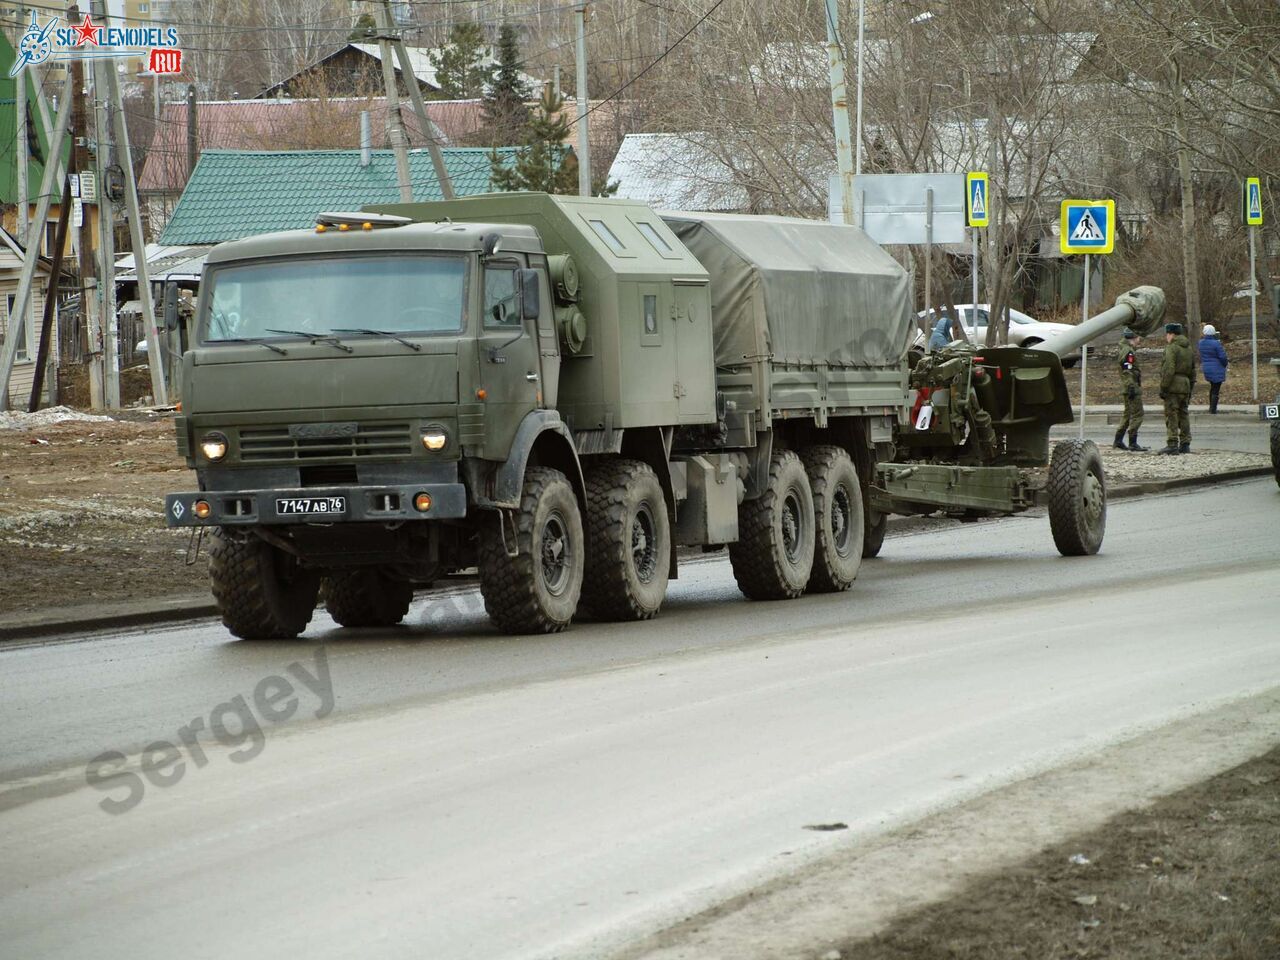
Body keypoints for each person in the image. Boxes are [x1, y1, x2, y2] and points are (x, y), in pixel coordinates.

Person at [1158, 321, 1194, 454]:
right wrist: (1190, 387)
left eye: (1167, 334)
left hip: (1173, 385)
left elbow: (1169, 369)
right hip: (1185, 384)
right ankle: (1185, 443)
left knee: (1171, 414)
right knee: (1184, 414)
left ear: (1171, 334)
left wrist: (1163, 387)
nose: (1166, 337)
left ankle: (1172, 443)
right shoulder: (1188, 348)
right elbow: (1193, 370)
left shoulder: (1172, 348)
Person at [1114, 327, 1147, 451]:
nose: (1139, 340)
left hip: (1126, 387)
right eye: (1138, 338)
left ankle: (1118, 440)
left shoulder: (1124, 349)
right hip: (1131, 387)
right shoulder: (1129, 352)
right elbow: (1127, 371)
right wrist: (1132, 387)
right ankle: (1133, 442)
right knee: (1138, 414)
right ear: (1133, 338)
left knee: (1127, 414)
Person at [1198, 323, 1228, 414]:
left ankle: (1211, 406)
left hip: (1207, 368)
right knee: (1216, 388)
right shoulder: (1216, 344)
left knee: (1212, 387)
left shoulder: (1201, 343)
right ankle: (1213, 409)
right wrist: (1225, 364)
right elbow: (1222, 357)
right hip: (1217, 368)